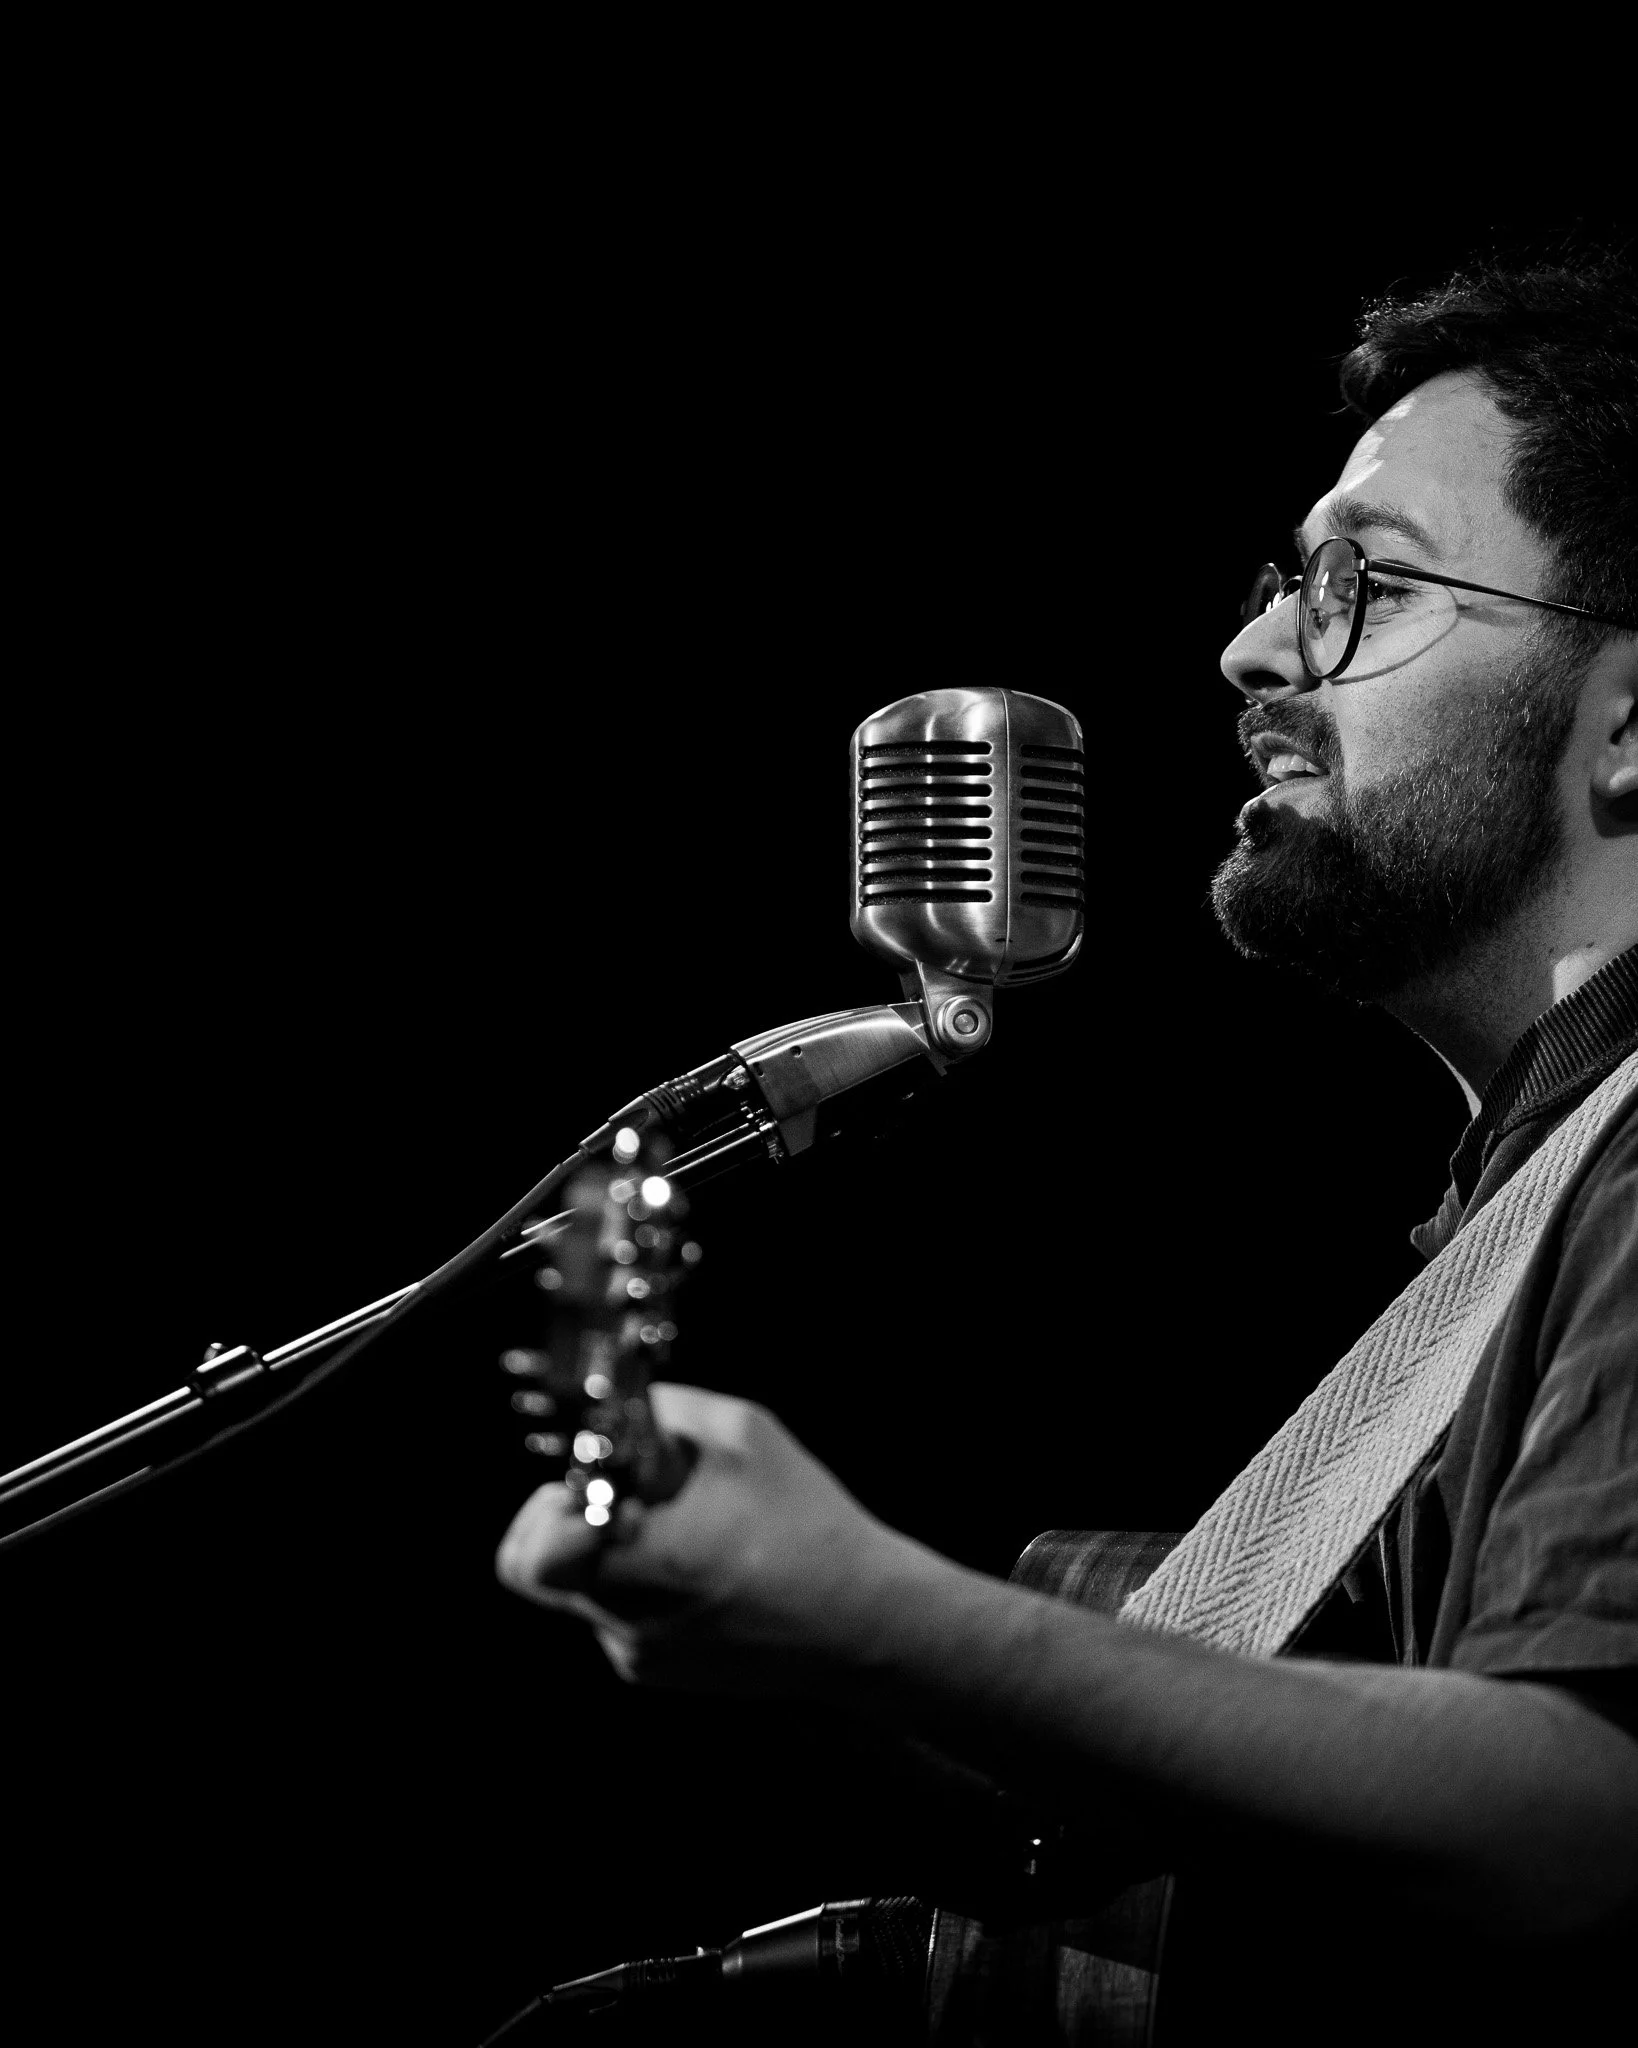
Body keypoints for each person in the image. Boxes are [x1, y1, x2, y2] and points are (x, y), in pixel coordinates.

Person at [495, 252, 1638, 2040]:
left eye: (1365, 585)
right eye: (1285, 583)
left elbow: (1579, 1827)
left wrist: (875, 1616)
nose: (1252, 649)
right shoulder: (1531, 1197)